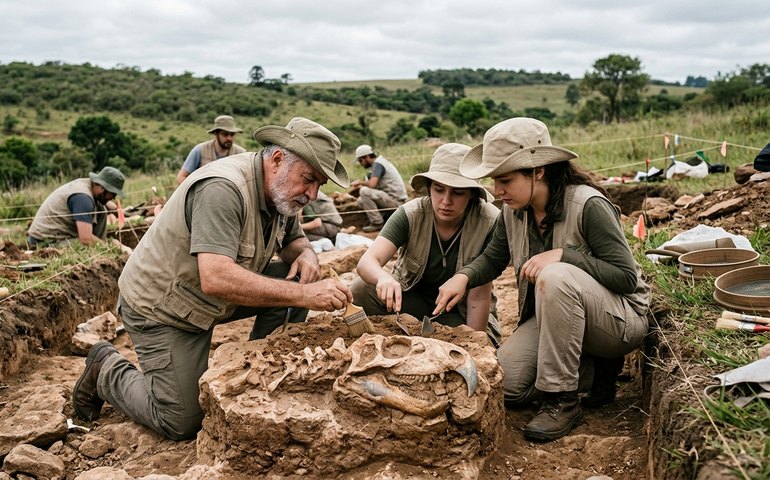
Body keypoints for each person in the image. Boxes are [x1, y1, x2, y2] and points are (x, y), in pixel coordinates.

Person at [72, 117, 354, 441]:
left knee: (295, 282)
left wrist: (306, 255)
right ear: (277, 160)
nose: (313, 193)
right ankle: (105, 368)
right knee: (180, 420)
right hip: (164, 307)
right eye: (308, 179)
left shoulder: (280, 191)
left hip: (211, 301)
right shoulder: (223, 189)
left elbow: (295, 241)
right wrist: (304, 296)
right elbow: (216, 277)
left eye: (320, 184)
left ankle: (259, 368)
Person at [434, 118, 650, 442]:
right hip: (557, 319)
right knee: (508, 386)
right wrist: (462, 278)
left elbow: (625, 278)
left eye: (505, 180)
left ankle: (562, 399)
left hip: (618, 320)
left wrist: (566, 255)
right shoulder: (514, 210)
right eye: (495, 181)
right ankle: (590, 370)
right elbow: (493, 258)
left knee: (555, 276)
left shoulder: (588, 205)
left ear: (538, 171)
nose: (497, 191)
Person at [351, 143, 501, 346]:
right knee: (362, 289)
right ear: (429, 187)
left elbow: (478, 299)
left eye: (457, 193)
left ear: (472, 194)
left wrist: (474, 344)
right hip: (411, 303)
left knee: (474, 343)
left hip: (457, 313)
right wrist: (383, 278)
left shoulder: (490, 221)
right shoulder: (410, 214)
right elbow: (367, 262)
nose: (446, 201)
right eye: (439, 190)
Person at [27, 166, 126, 247]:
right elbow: (85, 240)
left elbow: (100, 201)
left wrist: (106, 202)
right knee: (86, 244)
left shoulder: (90, 187)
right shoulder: (83, 199)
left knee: (102, 209)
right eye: (113, 194)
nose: (113, 198)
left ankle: (99, 249)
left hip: (59, 235)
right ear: (102, 188)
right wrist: (110, 247)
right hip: (43, 242)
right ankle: (101, 251)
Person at [350, 144, 408, 232]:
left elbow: (372, 184)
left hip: (397, 200)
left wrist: (359, 182)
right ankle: (385, 217)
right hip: (390, 197)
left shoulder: (378, 164)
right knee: (360, 201)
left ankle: (377, 223)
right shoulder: (378, 162)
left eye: (360, 160)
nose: (360, 164)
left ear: (367, 157)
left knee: (364, 191)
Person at [175, 115, 246, 185]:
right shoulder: (200, 150)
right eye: (225, 134)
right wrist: (195, 192)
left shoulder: (241, 154)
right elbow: (181, 177)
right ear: (216, 134)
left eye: (232, 135)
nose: (229, 138)